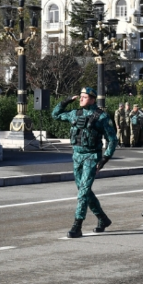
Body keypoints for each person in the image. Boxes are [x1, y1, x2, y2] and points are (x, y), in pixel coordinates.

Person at [53, 87, 117, 238]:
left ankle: (77, 226)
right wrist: (66, 101)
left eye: (85, 97)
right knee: (84, 191)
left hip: (91, 156)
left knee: (83, 192)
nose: (81, 98)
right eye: (80, 96)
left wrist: (104, 159)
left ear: (93, 100)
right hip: (77, 156)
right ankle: (102, 218)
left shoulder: (101, 117)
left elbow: (112, 139)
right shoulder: (75, 113)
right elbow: (55, 115)